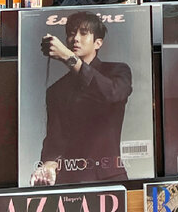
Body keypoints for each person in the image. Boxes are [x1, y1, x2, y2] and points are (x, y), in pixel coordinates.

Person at [30, 11, 133, 186]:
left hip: (108, 177)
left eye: (83, 33)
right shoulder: (56, 90)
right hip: (69, 179)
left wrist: (69, 58)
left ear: (98, 42)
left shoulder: (117, 71)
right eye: (71, 33)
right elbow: (54, 139)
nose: (75, 38)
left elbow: (111, 94)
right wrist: (48, 165)